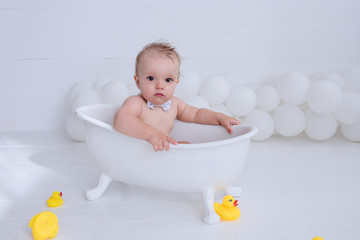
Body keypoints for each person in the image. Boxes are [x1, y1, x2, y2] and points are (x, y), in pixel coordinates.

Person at [113, 41, 240, 151]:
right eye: (151, 78)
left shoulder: (175, 104)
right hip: (138, 153)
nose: (160, 86)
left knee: (188, 147)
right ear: (138, 82)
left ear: (176, 83)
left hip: (160, 152)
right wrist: (151, 134)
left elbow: (197, 114)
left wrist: (218, 117)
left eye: (168, 80)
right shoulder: (136, 103)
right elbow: (120, 120)